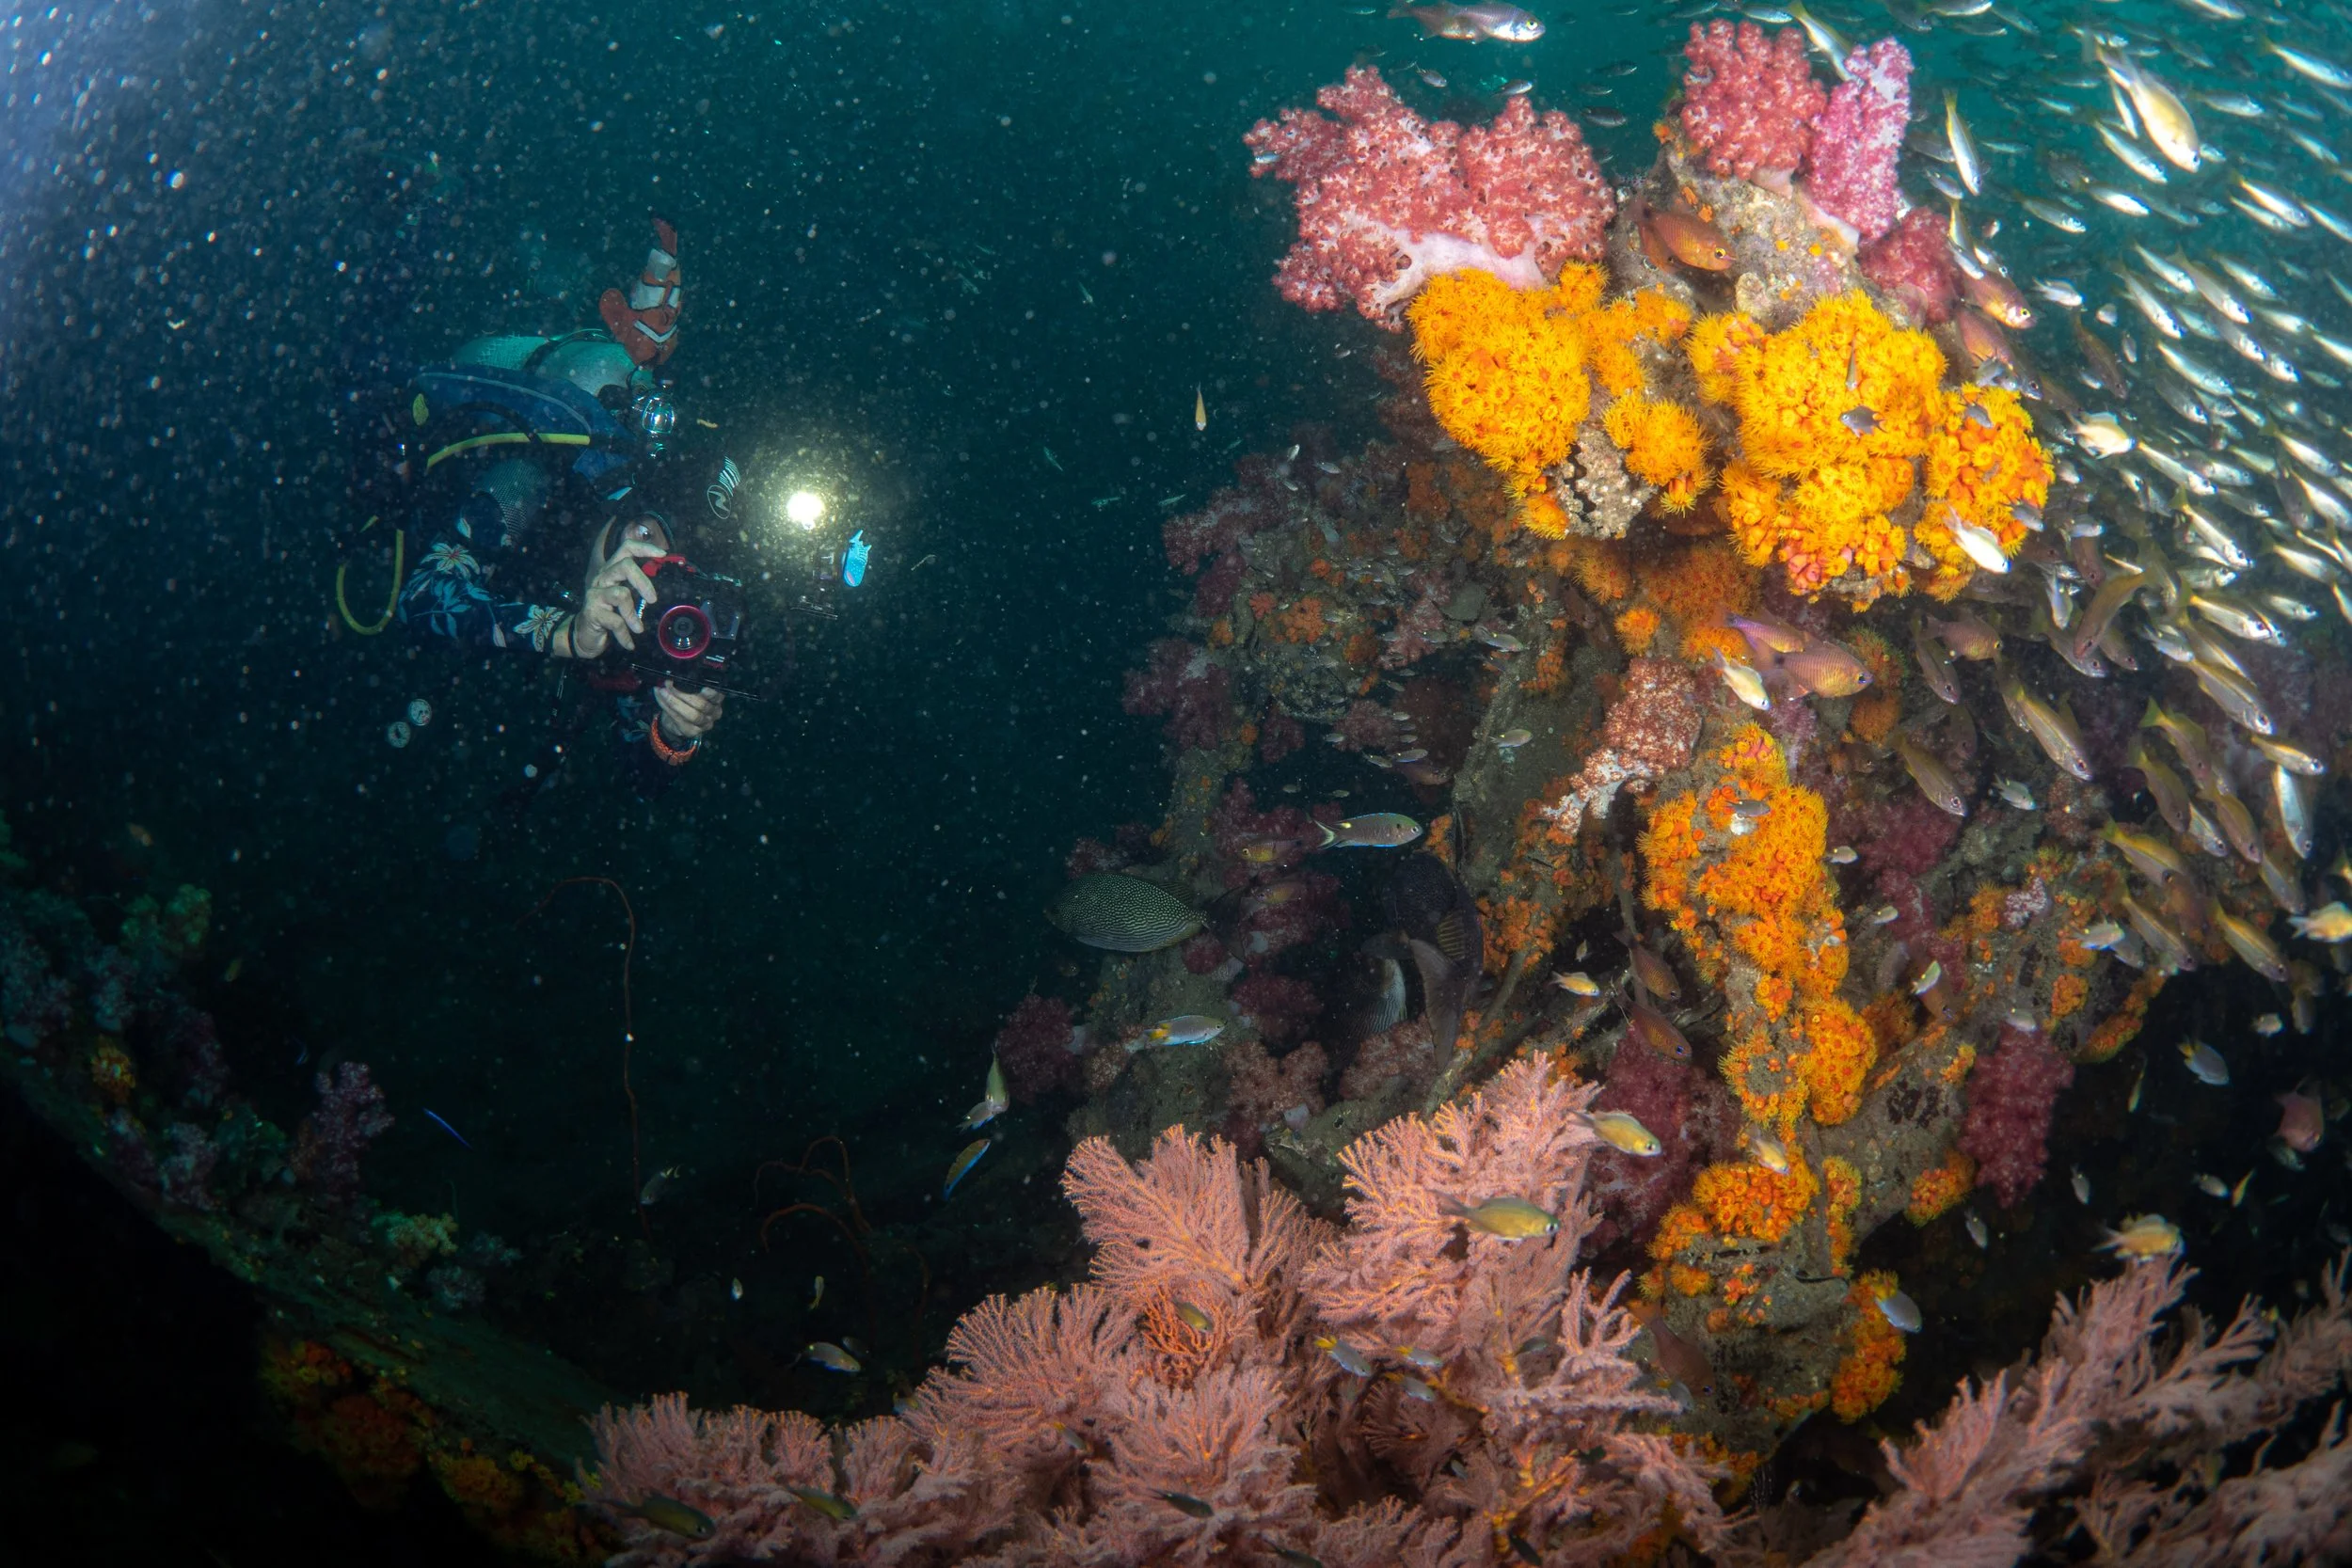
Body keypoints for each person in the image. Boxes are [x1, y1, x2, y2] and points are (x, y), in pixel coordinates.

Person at [385, 218, 733, 793]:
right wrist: (569, 633)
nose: (643, 562)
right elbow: (421, 596)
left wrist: (677, 733)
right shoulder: (530, 484)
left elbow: (638, 775)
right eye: (638, 541)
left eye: (660, 558)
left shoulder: (657, 610)